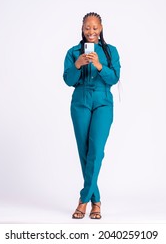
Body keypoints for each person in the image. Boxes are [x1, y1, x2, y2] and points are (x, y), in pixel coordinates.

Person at [63, 12, 121, 219]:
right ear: (82, 28)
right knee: (84, 152)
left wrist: (98, 65)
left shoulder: (110, 51)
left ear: (101, 28)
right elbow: (68, 80)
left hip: (103, 101)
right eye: (87, 27)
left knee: (96, 150)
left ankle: (83, 199)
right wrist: (77, 64)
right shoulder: (73, 52)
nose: (91, 31)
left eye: (95, 27)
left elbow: (114, 78)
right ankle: (96, 202)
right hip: (80, 102)